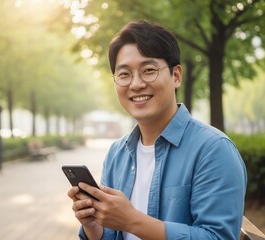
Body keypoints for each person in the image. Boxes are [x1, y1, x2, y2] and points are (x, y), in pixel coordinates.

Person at [67, 20, 247, 240]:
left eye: (148, 70)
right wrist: (93, 225)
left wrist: (132, 220)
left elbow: (219, 237)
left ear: (176, 76)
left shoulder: (213, 150)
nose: (136, 84)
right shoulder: (117, 153)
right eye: (124, 74)